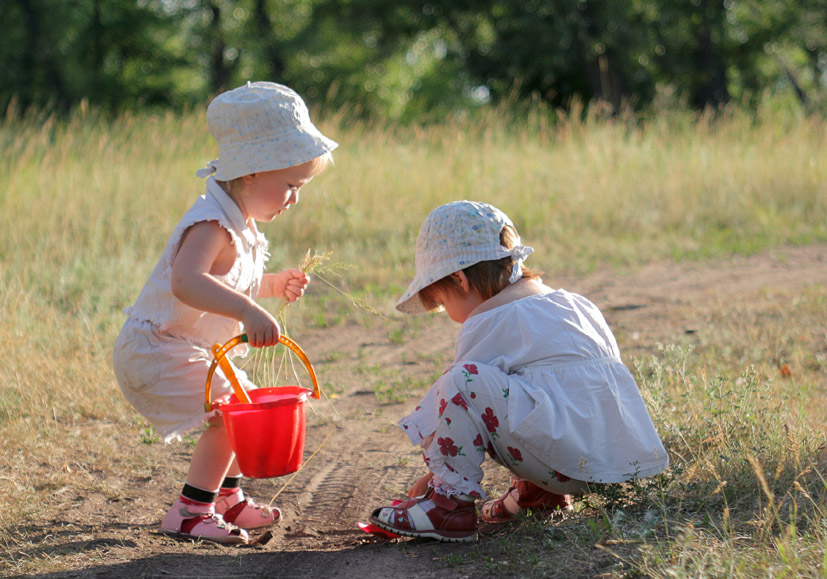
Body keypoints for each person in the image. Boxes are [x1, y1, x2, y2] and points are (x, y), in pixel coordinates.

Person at [113, 81, 337, 544]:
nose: (295, 198)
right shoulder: (211, 223)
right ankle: (191, 512)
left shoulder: (242, 223)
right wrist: (249, 309)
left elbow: (230, 281)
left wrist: (273, 286)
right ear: (252, 172)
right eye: (291, 186)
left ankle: (228, 500)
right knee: (235, 413)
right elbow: (188, 281)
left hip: (184, 349)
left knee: (246, 409)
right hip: (157, 349)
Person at [369, 201, 669, 542]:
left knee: (462, 380)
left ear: (459, 279)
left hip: (563, 462)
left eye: (442, 302)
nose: (449, 313)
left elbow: (457, 404)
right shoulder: (573, 302)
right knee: (530, 392)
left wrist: (437, 480)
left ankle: (448, 508)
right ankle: (540, 494)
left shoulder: (490, 319)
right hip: (614, 462)